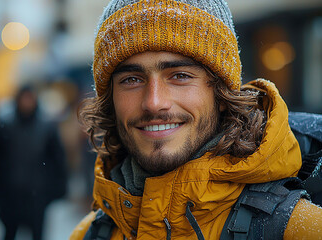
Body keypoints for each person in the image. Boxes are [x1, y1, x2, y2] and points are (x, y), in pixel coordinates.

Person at [70, 0, 322, 239]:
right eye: (131, 80)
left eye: (179, 75)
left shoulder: (300, 230)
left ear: (221, 94)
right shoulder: (87, 234)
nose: (154, 102)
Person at [0, 85, 67, 240]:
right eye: (24, 98)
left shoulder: (46, 128)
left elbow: (58, 161)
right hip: (11, 194)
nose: (27, 102)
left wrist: (58, 189)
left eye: (30, 98)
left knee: (38, 234)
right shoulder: (6, 126)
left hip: (37, 194)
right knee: (9, 232)